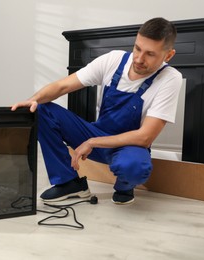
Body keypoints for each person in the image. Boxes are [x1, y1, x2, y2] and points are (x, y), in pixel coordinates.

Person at [11, 17, 182, 205]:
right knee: (42, 110)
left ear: (168, 55)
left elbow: (145, 137)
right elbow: (61, 86)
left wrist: (93, 142)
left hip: (129, 146)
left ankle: (124, 187)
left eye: (150, 54)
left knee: (134, 167)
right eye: (137, 48)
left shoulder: (170, 79)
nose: (139, 59)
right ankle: (69, 182)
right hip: (97, 134)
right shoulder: (114, 60)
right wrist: (31, 101)